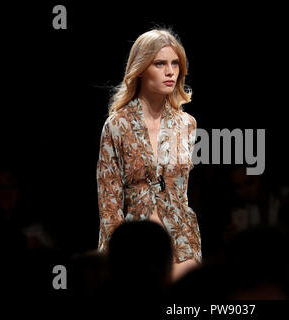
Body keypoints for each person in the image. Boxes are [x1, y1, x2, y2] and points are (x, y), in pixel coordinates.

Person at [96, 28, 201, 282]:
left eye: (175, 63)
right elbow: (109, 201)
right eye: (160, 63)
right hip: (135, 246)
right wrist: (112, 256)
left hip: (182, 243)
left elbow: (182, 193)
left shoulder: (187, 124)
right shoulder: (117, 125)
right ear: (141, 68)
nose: (170, 72)